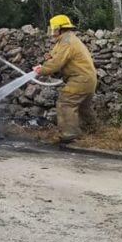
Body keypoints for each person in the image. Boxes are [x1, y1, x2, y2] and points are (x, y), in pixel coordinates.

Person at [33, 14, 98, 144]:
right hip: (88, 79)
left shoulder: (67, 41)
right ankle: (94, 131)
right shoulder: (66, 39)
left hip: (80, 79)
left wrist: (42, 70)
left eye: (53, 29)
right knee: (84, 108)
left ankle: (70, 133)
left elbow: (57, 62)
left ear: (60, 28)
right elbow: (56, 56)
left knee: (65, 103)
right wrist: (49, 57)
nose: (52, 33)